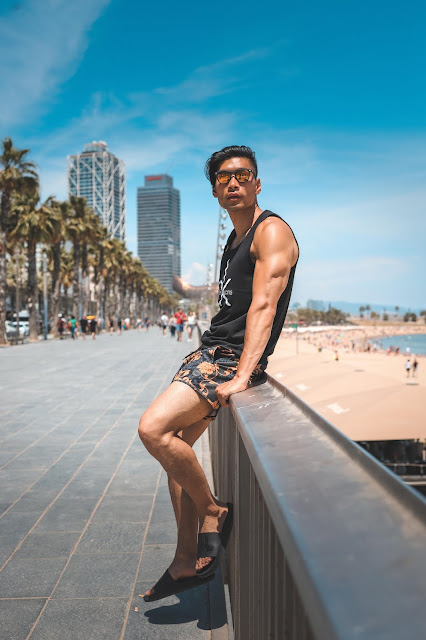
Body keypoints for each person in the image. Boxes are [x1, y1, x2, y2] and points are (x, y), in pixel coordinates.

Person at [138, 145, 299, 602]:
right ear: (215, 191)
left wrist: (244, 373)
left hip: (226, 360)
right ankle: (186, 560)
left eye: (243, 175)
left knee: (153, 430)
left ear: (257, 183)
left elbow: (264, 305)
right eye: (224, 178)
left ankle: (213, 511)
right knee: (176, 454)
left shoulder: (272, 232)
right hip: (209, 353)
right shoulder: (234, 240)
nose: (234, 183)